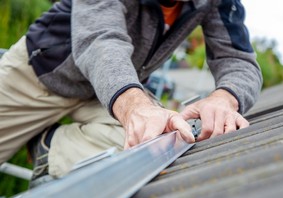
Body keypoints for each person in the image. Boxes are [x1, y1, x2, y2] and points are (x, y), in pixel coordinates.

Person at [0, 0, 262, 187]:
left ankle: (49, 146)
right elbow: (99, 39)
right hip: (40, 75)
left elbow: (238, 60)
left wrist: (224, 98)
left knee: (158, 144)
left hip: (109, 92)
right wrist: (136, 107)